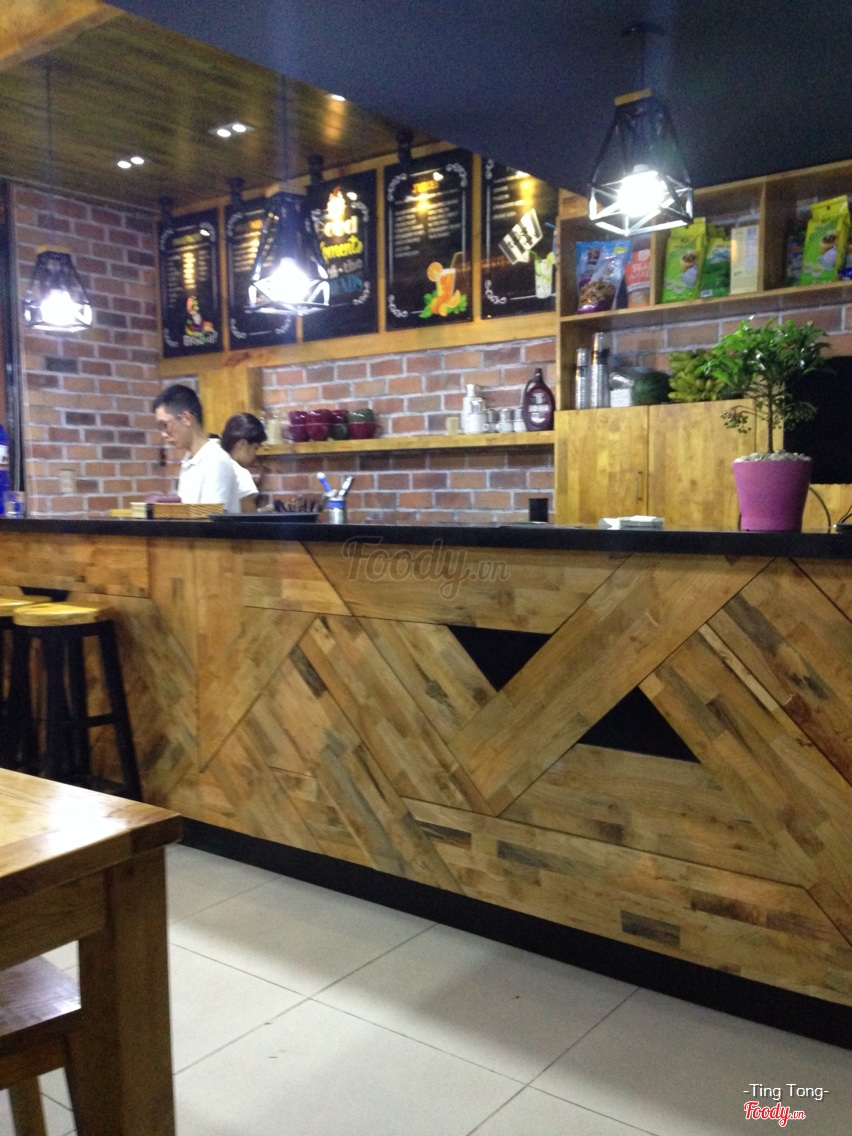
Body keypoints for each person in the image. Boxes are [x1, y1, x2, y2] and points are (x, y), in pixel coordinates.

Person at [152, 384, 240, 512]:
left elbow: (211, 517)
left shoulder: (215, 460)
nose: (163, 434)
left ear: (186, 418)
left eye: (165, 425)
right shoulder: (190, 460)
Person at [220, 413, 267, 513]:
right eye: (255, 448)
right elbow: (250, 519)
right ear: (242, 444)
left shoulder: (215, 464)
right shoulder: (240, 474)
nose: (255, 455)